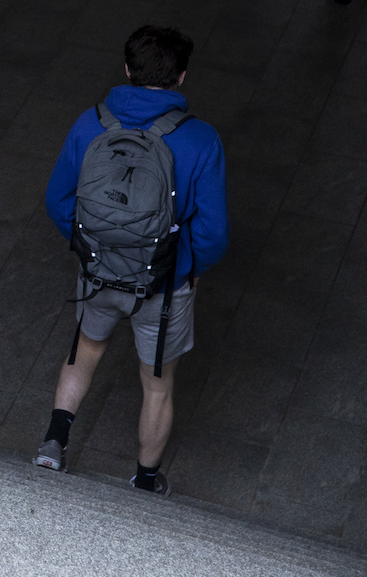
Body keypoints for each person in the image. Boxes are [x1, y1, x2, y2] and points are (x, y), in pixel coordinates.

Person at [34, 25, 228, 494]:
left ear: (127, 70)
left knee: (84, 353)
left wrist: (92, 248)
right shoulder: (201, 140)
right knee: (157, 384)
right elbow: (213, 231)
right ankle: (144, 481)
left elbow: (58, 200)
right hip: (164, 286)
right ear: (181, 77)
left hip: (98, 273)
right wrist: (189, 269)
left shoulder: (90, 123)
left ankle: (52, 446)